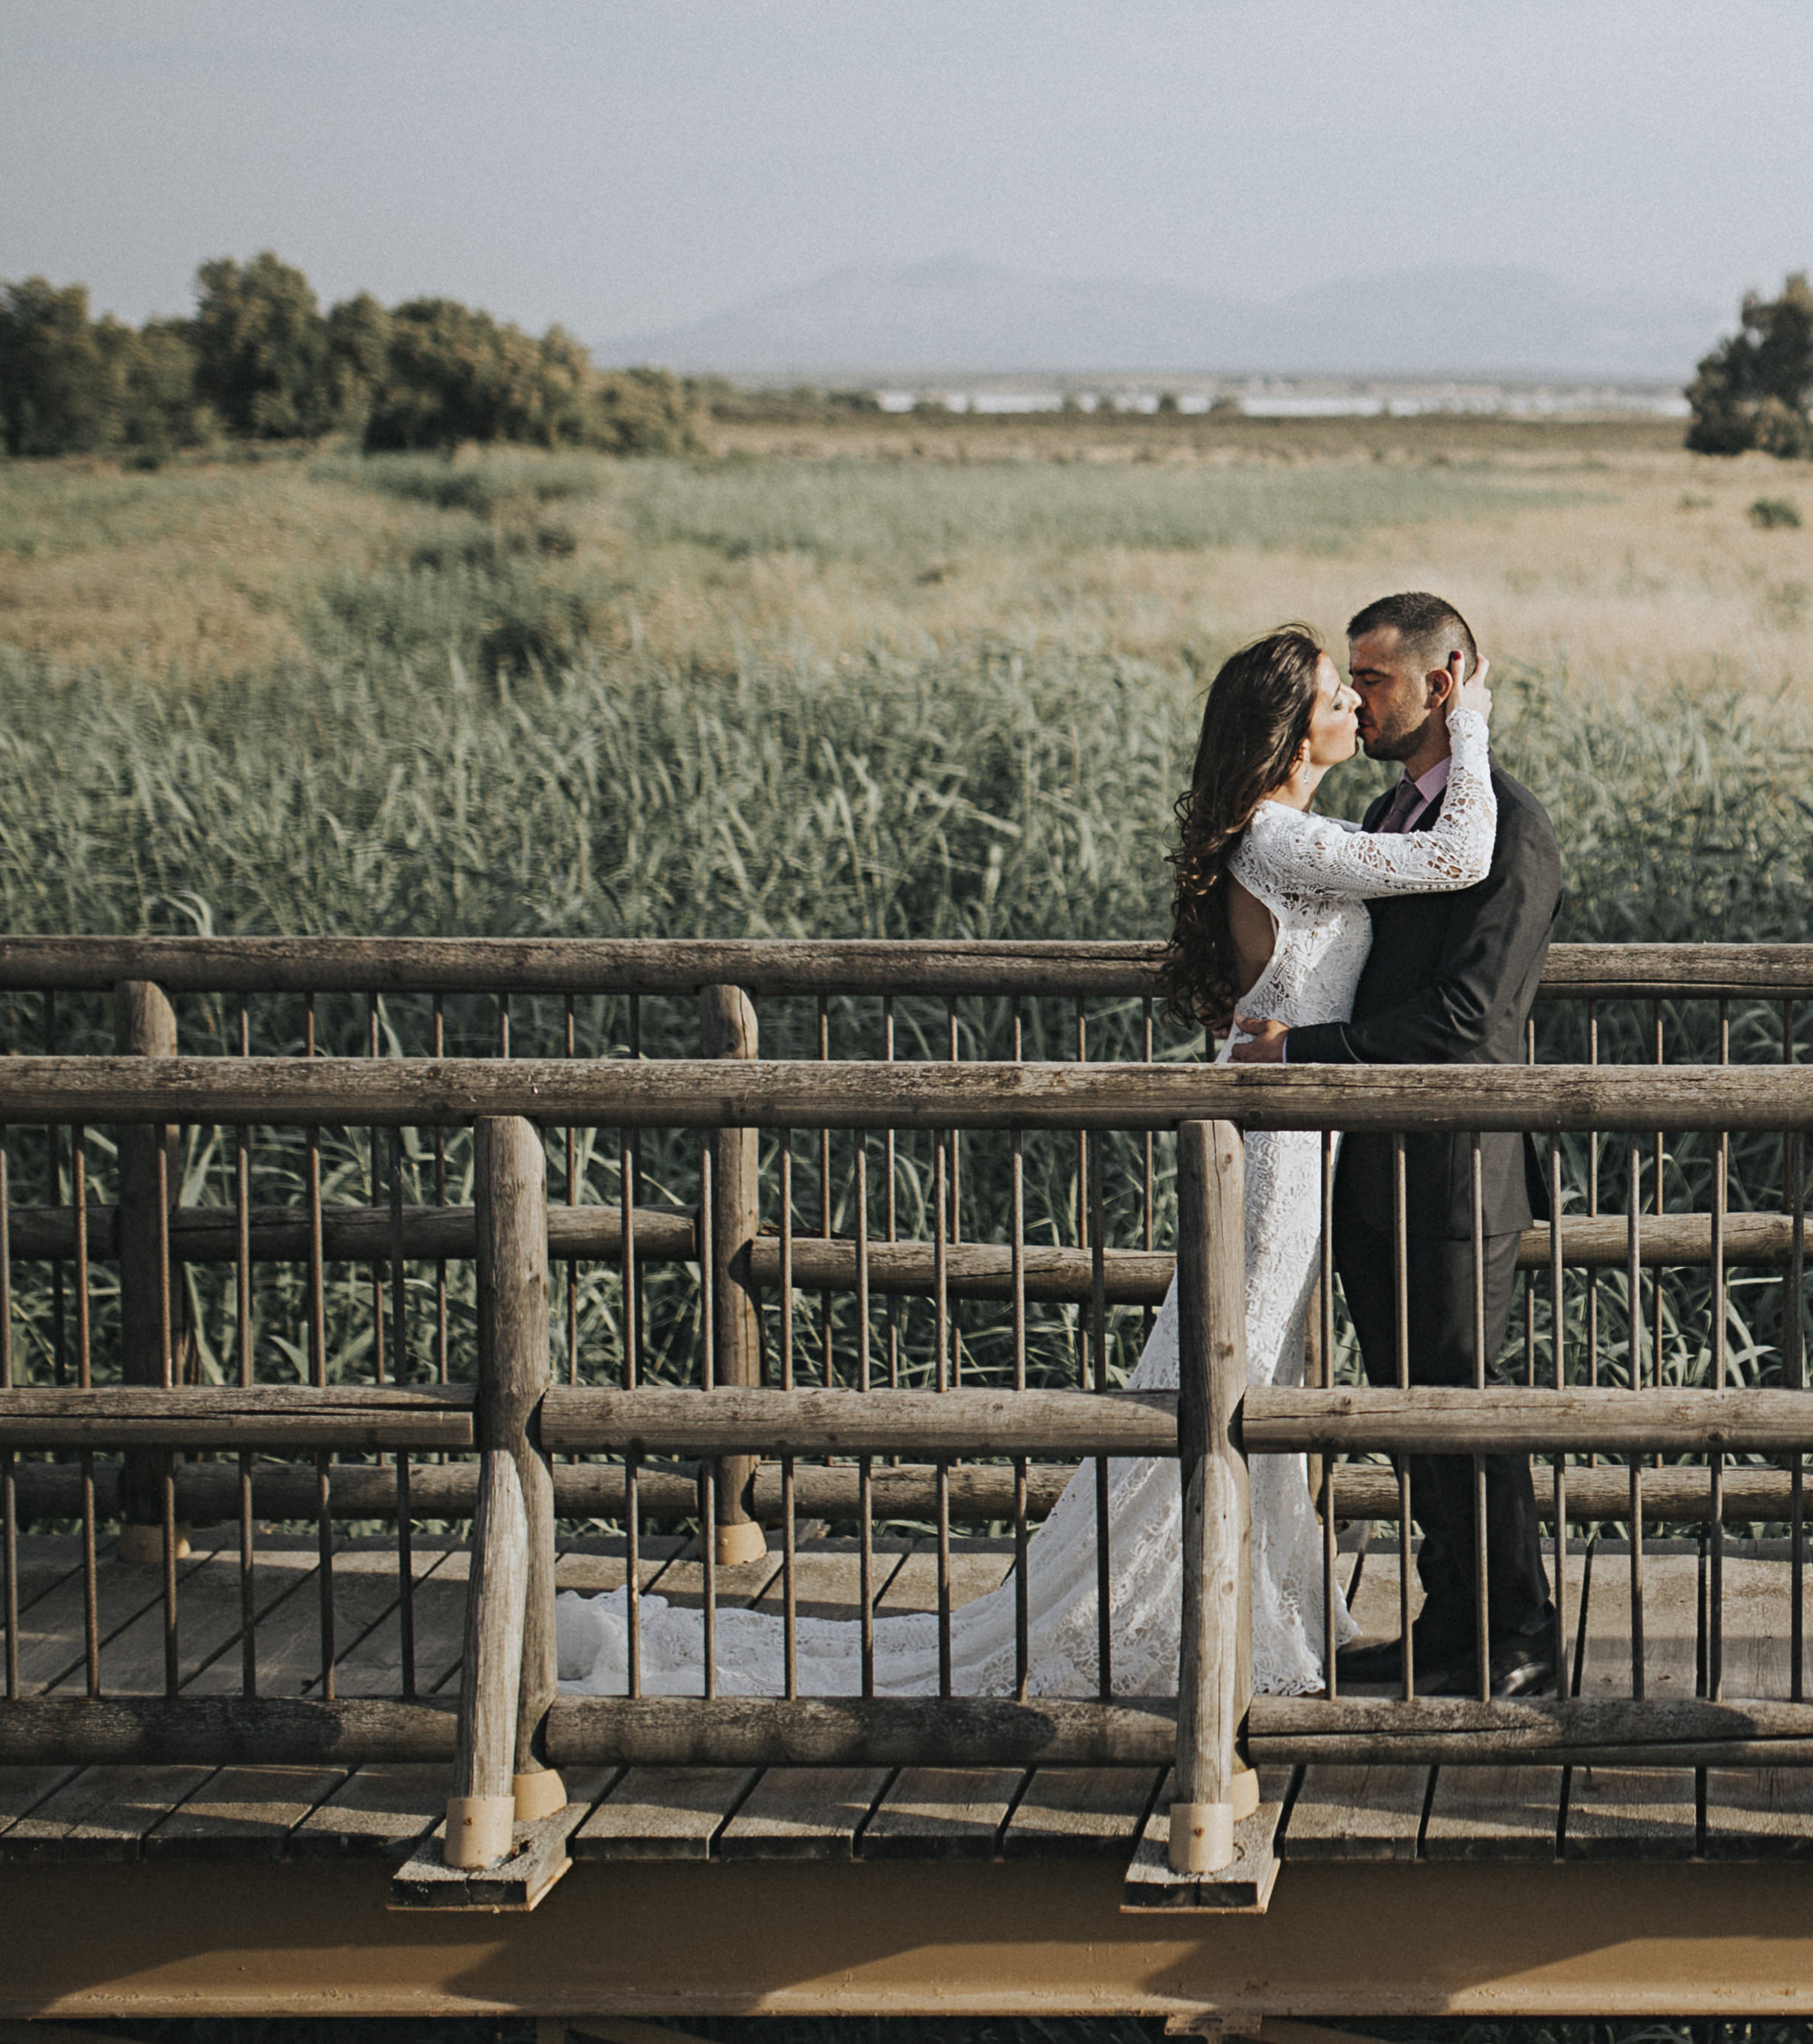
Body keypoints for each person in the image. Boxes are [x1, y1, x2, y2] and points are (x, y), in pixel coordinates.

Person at [549, 623, 1499, 1703]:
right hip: (1277, 1150)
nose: (1355, 709)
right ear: (1288, 732)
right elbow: (1460, 856)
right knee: (1226, 1373)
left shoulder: (1296, 829)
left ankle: (1243, 1598)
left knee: (1255, 1374)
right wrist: (1466, 725)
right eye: (1337, 694)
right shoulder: (1278, 839)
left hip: (1294, 1133)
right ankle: (1171, 1608)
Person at [1231, 589, 1563, 1699]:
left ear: (1446, 678)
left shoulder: (1506, 827)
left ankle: (1518, 1633)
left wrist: (1302, 1052)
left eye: (1374, 680)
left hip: (1461, 1164)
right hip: (1377, 1158)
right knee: (1407, 1405)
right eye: (1354, 682)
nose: (1360, 700)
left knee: (1468, 1395)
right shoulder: (1385, 815)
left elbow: (1471, 1021)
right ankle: (1449, 1619)